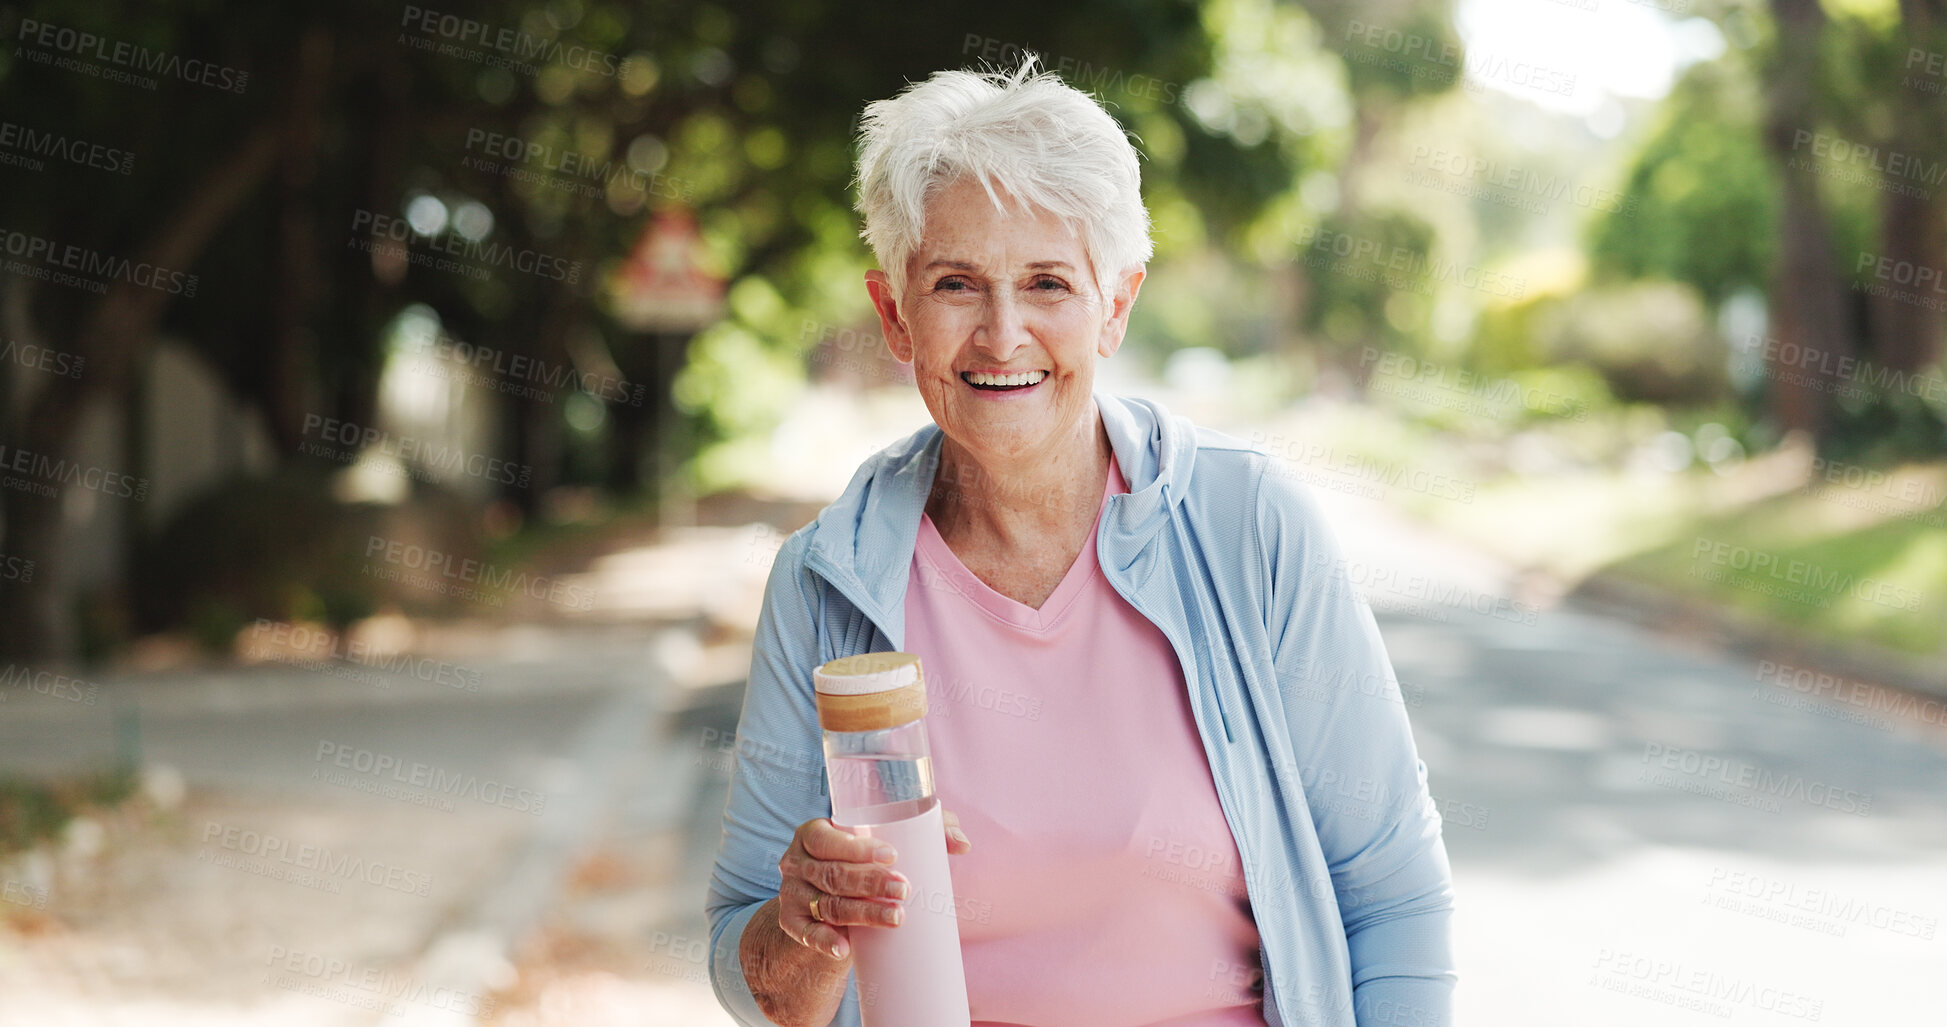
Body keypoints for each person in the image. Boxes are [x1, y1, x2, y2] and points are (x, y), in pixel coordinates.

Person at [707, 59, 1456, 1027]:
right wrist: (806, 926)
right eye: (955, 284)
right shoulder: (826, 579)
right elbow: (754, 968)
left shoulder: (1247, 524)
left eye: (1049, 283)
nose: (1003, 332)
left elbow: (1392, 894)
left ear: (1116, 304)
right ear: (895, 314)